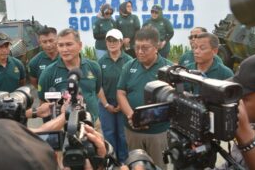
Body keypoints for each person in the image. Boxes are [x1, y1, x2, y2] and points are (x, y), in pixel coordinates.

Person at [117, 26, 173, 169]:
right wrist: (132, 116)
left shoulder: (168, 69)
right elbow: (121, 93)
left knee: (159, 165)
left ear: (156, 47)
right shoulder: (129, 67)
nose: (140, 52)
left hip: (158, 132)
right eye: (137, 47)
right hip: (133, 130)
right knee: (135, 165)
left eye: (145, 48)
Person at [38, 28, 102, 124]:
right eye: (60, 45)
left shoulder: (93, 67)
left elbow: (96, 91)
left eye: (69, 44)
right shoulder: (48, 73)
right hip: (63, 128)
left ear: (80, 45)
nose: (64, 49)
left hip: (93, 124)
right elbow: (43, 103)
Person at [213, 53, 255, 170]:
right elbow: (233, 165)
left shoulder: (246, 128)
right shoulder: (253, 124)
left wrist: (247, 138)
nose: (236, 103)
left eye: (243, 97)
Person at [98, 28, 132, 163]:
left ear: (121, 42)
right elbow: (98, 86)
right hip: (106, 103)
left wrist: (122, 103)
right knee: (109, 133)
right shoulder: (101, 62)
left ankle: (124, 161)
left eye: (115, 41)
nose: (112, 43)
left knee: (123, 134)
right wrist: (106, 104)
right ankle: (112, 160)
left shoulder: (129, 60)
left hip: (124, 103)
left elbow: (131, 85)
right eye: (109, 41)